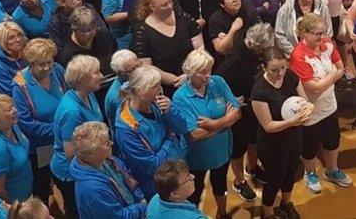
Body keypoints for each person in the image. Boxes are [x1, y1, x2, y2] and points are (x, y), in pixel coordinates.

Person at [288, 14, 353, 194]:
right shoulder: (298, 56)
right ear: (304, 33)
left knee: (332, 141)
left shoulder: (328, 45)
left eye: (322, 33)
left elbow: (342, 68)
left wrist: (328, 78)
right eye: (317, 33)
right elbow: (314, 88)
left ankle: (332, 170)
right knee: (309, 147)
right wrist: (332, 75)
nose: (321, 37)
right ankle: (311, 173)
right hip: (311, 111)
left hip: (330, 106)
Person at [170, 50, 238, 215]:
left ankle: (222, 214)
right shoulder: (181, 97)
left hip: (222, 152)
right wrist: (226, 122)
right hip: (196, 159)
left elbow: (237, 112)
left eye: (209, 70)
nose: (208, 75)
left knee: (220, 186)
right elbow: (194, 135)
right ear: (190, 72)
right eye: (202, 72)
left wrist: (214, 124)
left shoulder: (218, 82)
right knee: (194, 193)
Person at [250, 46, 312, 218]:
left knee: (290, 172)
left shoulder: (290, 76)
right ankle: (268, 212)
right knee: (275, 178)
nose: (280, 73)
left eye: (283, 68)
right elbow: (268, 126)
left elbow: (304, 100)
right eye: (274, 70)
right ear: (264, 68)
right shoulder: (259, 91)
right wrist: (292, 121)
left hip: (293, 138)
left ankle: (286, 202)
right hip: (272, 144)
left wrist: (307, 110)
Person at [114, 65, 186, 198]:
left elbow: (182, 129)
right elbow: (152, 166)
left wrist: (170, 112)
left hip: (175, 170)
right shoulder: (126, 128)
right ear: (141, 92)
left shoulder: (157, 102)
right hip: (155, 186)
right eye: (155, 87)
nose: (160, 90)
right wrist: (170, 138)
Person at [12, 38, 64, 204]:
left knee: (65, 181)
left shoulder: (57, 71)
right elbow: (25, 123)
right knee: (42, 186)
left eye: (50, 62)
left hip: (64, 142)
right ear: (31, 63)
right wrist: (58, 130)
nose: (47, 67)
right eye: (41, 64)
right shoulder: (21, 85)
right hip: (41, 148)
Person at [52, 55, 104, 218]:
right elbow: (70, 152)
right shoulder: (72, 111)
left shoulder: (88, 94)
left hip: (90, 163)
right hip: (71, 173)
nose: (101, 76)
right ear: (81, 80)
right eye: (96, 73)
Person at [69, 121, 148, 218]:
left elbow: (129, 179)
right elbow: (117, 217)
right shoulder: (93, 191)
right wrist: (142, 207)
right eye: (106, 143)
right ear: (91, 154)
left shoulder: (108, 160)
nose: (112, 143)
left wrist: (140, 198)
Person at [132, 0, 199, 94]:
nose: (169, 6)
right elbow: (147, 65)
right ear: (152, 7)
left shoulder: (184, 18)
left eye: (170, 2)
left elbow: (199, 48)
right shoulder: (142, 31)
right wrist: (174, 80)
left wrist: (189, 75)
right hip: (167, 86)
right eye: (164, 5)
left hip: (195, 77)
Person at [0, 21, 29, 97]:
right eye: (11, 38)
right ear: (2, 41)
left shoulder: (27, 50)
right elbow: (10, 90)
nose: (18, 40)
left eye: (19, 35)